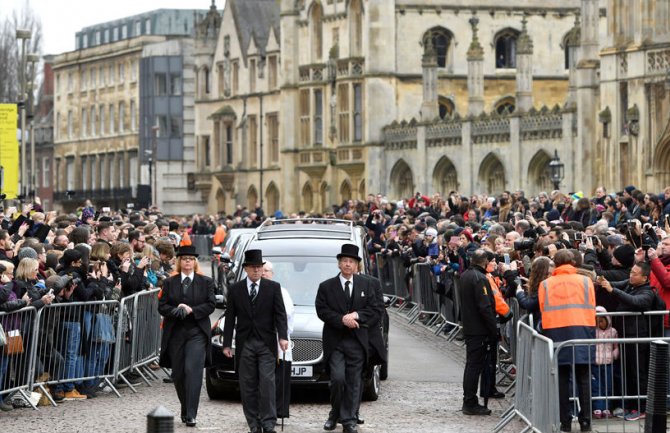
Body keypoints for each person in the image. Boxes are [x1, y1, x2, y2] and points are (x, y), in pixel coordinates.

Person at [316, 244, 380, 433]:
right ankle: (334, 413)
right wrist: (342, 319)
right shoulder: (326, 286)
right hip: (335, 341)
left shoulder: (366, 285)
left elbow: (375, 310)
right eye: (344, 261)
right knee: (337, 379)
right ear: (339, 264)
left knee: (354, 381)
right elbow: (322, 310)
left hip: (358, 341)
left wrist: (357, 315)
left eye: (351, 261)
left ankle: (349, 420)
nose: (347, 264)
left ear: (357, 265)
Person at [223, 249, 288, 433]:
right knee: (247, 384)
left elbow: (280, 315)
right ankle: (253, 422)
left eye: (259, 267)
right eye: (253, 268)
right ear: (245, 269)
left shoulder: (273, 287)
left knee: (267, 383)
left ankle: (268, 423)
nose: (257, 271)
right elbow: (230, 317)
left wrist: (282, 337)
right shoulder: (236, 289)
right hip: (245, 343)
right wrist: (227, 343)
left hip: (266, 342)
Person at [158, 245, 216, 427]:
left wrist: (193, 310)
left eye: (191, 259)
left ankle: (191, 413)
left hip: (197, 332)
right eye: (184, 258)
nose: (188, 261)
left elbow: (211, 304)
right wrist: (176, 311)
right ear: (179, 262)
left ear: (195, 262)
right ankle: (186, 407)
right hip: (176, 332)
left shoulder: (205, 282)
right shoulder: (169, 283)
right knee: (179, 374)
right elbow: (162, 306)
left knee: (193, 370)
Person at [539, 250, 596, 433]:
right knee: (584, 378)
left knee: (562, 379)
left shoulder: (546, 284)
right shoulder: (586, 281)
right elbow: (592, 305)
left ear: (555, 262)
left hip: (556, 331)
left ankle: (565, 422)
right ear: (573, 262)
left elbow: (542, 307)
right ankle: (586, 422)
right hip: (582, 329)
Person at [599, 261, 655, 421]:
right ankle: (631, 406)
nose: (630, 275)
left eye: (635, 274)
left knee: (639, 374)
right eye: (631, 272)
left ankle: (643, 408)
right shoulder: (630, 284)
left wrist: (612, 290)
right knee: (628, 373)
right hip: (627, 336)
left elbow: (635, 302)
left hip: (639, 337)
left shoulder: (648, 292)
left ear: (644, 278)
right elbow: (616, 284)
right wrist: (604, 282)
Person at [458, 249, 497, 416]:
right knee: (474, 365)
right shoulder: (479, 278)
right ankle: (470, 401)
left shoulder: (466, 275)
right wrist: (493, 328)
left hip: (471, 326)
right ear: (485, 262)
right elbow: (485, 306)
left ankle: (469, 399)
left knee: (471, 365)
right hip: (478, 329)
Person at [262, 260, 294, 420]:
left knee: (279, 379)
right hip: (261, 341)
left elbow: (286, 315)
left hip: (278, 340)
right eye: (261, 270)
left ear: (272, 274)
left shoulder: (281, 291)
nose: (263, 273)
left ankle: (279, 411)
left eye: (266, 271)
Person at [592, 306, 618, 419]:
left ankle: (606, 407)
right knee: (596, 386)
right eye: (597, 321)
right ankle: (597, 407)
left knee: (607, 385)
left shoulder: (613, 332)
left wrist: (614, 355)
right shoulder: (593, 332)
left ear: (607, 319)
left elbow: (616, 346)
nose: (599, 323)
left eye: (601, 321)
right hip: (596, 362)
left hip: (608, 362)